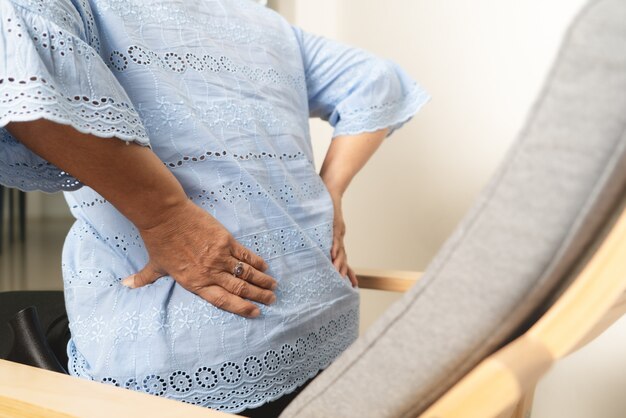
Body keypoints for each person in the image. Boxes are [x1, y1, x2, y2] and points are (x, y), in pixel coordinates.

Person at [0, 0, 429, 415]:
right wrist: (330, 190)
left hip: (179, 357)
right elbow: (377, 79)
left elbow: (12, 63)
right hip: (324, 333)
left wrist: (165, 216)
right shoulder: (266, 23)